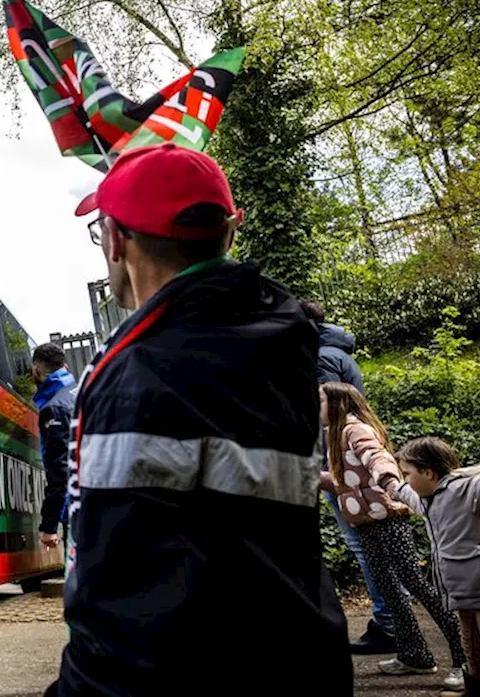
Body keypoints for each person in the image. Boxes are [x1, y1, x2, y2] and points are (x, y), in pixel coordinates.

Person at [49, 142, 352, 695]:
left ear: (115, 241)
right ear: (230, 232)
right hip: (304, 661)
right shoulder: (285, 345)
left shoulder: (138, 371)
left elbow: (117, 588)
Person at [318, 381, 465, 690]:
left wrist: (389, 480)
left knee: (415, 583)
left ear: (336, 405)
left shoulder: (354, 430)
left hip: (389, 519)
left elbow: (376, 457)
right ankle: (416, 655)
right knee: (388, 587)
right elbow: (344, 480)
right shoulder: (335, 435)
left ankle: (463, 659)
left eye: (318, 401)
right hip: (367, 522)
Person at [302, 298, 398, 654]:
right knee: (372, 547)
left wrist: (327, 471)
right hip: (346, 464)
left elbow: (329, 416)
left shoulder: (322, 358)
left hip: (344, 467)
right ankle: (393, 622)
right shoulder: (334, 351)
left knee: (366, 547)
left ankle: (390, 625)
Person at [380, 437, 480, 697]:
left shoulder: (469, 492)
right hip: (459, 591)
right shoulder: (429, 499)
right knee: (473, 651)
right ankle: (478, 691)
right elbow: (405, 494)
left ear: (428, 472)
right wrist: (387, 481)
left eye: (408, 473)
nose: (406, 478)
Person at [30, 343, 75, 551]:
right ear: (64, 366)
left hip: (80, 511)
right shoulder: (77, 395)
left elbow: (61, 471)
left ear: (36, 370)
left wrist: (49, 526)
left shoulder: (54, 408)